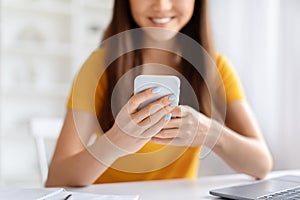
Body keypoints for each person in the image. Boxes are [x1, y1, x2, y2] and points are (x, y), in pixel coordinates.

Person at [46, 0, 273, 187]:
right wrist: (116, 141)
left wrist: (210, 133)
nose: (162, 6)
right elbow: (56, 179)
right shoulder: (99, 67)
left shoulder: (216, 68)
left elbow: (261, 164)